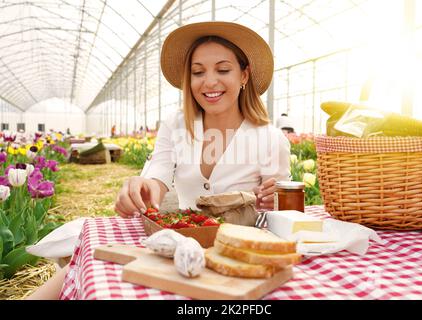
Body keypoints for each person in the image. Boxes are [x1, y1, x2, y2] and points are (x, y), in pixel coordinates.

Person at [26, 21, 290, 299]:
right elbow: (158, 176)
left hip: (235, 255)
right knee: (81, 266)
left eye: (223, 70)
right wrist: (142, 187)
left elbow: (283, 216)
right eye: (198, 72)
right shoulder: (177, 124)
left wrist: (273, 204)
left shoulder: (269, 138)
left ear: (244, 75)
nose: (209, 81)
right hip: (178, 241)